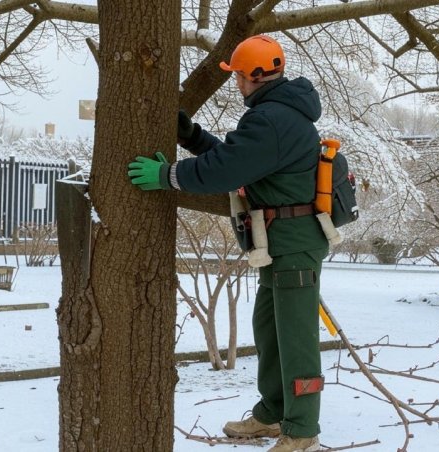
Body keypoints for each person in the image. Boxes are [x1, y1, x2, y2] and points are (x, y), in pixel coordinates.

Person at [127, 35, 327, 452]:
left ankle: (303, 429)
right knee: (270, 331)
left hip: (293, 244)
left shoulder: (271, 119)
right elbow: (242, 161)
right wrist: (194, 137)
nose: (235, 82)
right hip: (280, 244)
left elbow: (224, 170)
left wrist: (168, 177)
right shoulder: (278, 116)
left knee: (295, 337)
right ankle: (273, 413)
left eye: (237, 75)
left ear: (255, 75)